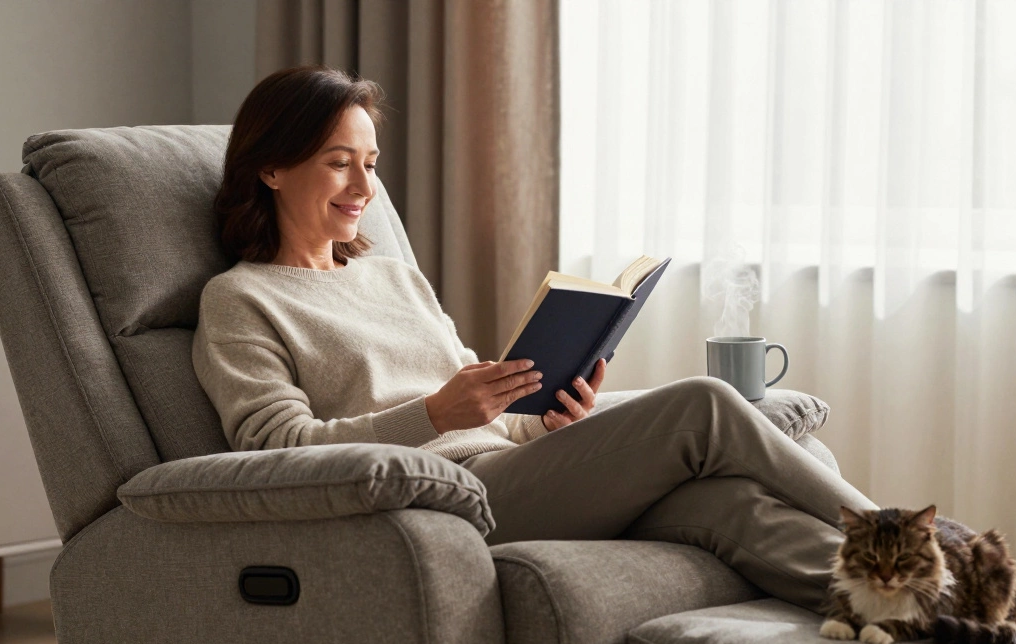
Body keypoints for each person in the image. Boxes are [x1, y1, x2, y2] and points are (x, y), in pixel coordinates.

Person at [192, 65, 879, 614]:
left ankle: (918, 604)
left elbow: (491, 422)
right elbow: (277, 455)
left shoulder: (393, 278)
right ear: (272, 167)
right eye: (340, 162)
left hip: (507, 472)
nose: (364, 186)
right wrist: (432, 414)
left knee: (725, 506)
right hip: (448, 502)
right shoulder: (240, 299)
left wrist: (549, 419)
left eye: (370, 163)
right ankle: (907, 533)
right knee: (702, 402)